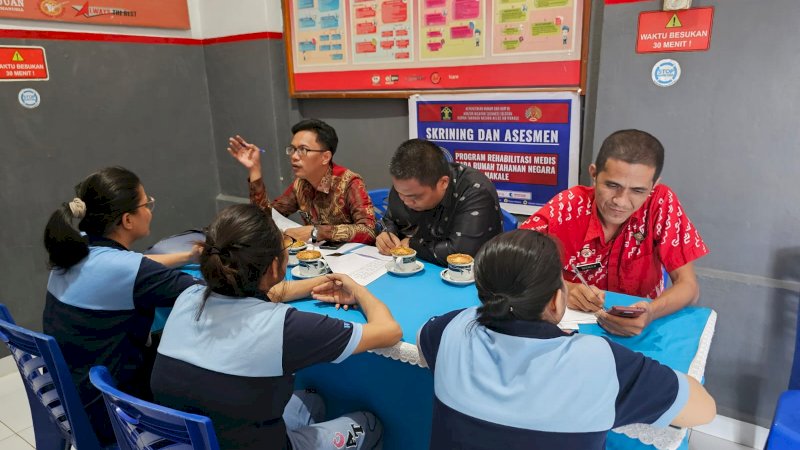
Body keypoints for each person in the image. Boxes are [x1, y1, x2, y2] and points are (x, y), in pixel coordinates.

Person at [417, 230, 716, 450]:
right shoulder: (598, 361)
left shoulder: (453, 329)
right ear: (556, 301)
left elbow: (423, 341)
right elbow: (704, 410)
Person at [151, 204, 402, 450]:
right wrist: (355, 287)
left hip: (192, 441)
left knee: (310, 400)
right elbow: (389, 331)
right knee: (368, 424)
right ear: (273, 266)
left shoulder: (188, 296)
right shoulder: (284, 326)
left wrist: (325, 280)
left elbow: (270, 294)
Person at [42, 166, 200, 445]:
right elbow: (205, 294)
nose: (150, 208)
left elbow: (132, 268)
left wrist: (186, 256)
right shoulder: (129, 270)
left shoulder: (72, 252)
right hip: (110, 409)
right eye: (146, 203)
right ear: (128, 219)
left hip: (71, 392)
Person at [520, 129, 708, 336]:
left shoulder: (661, 203)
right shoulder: (567, 207)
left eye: (638, 191)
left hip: (639, 332)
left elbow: (689, 287)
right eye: (612, 185)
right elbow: (512, 263)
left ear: (654, 185)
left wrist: (651, 312)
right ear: (593, 174)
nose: (621, 201)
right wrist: (565, 286)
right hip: (573, 332)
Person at [228, 119, 376, 244]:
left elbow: (369, 231)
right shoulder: (300, 184)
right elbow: (264, 218)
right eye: (292, 149)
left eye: (302, 150)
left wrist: (317, 231)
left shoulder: (350, 182)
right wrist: (255, 170)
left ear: (325, 157)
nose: (294, 156)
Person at [377, 138, 502, 266]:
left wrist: (412, 244)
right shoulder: (406, 187)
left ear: (443, 183)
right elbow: (391, 220)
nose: (406, 202)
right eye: (400, 194)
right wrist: (388, 234)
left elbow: (461, 253)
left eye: (415, 197)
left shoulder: (476, 191)